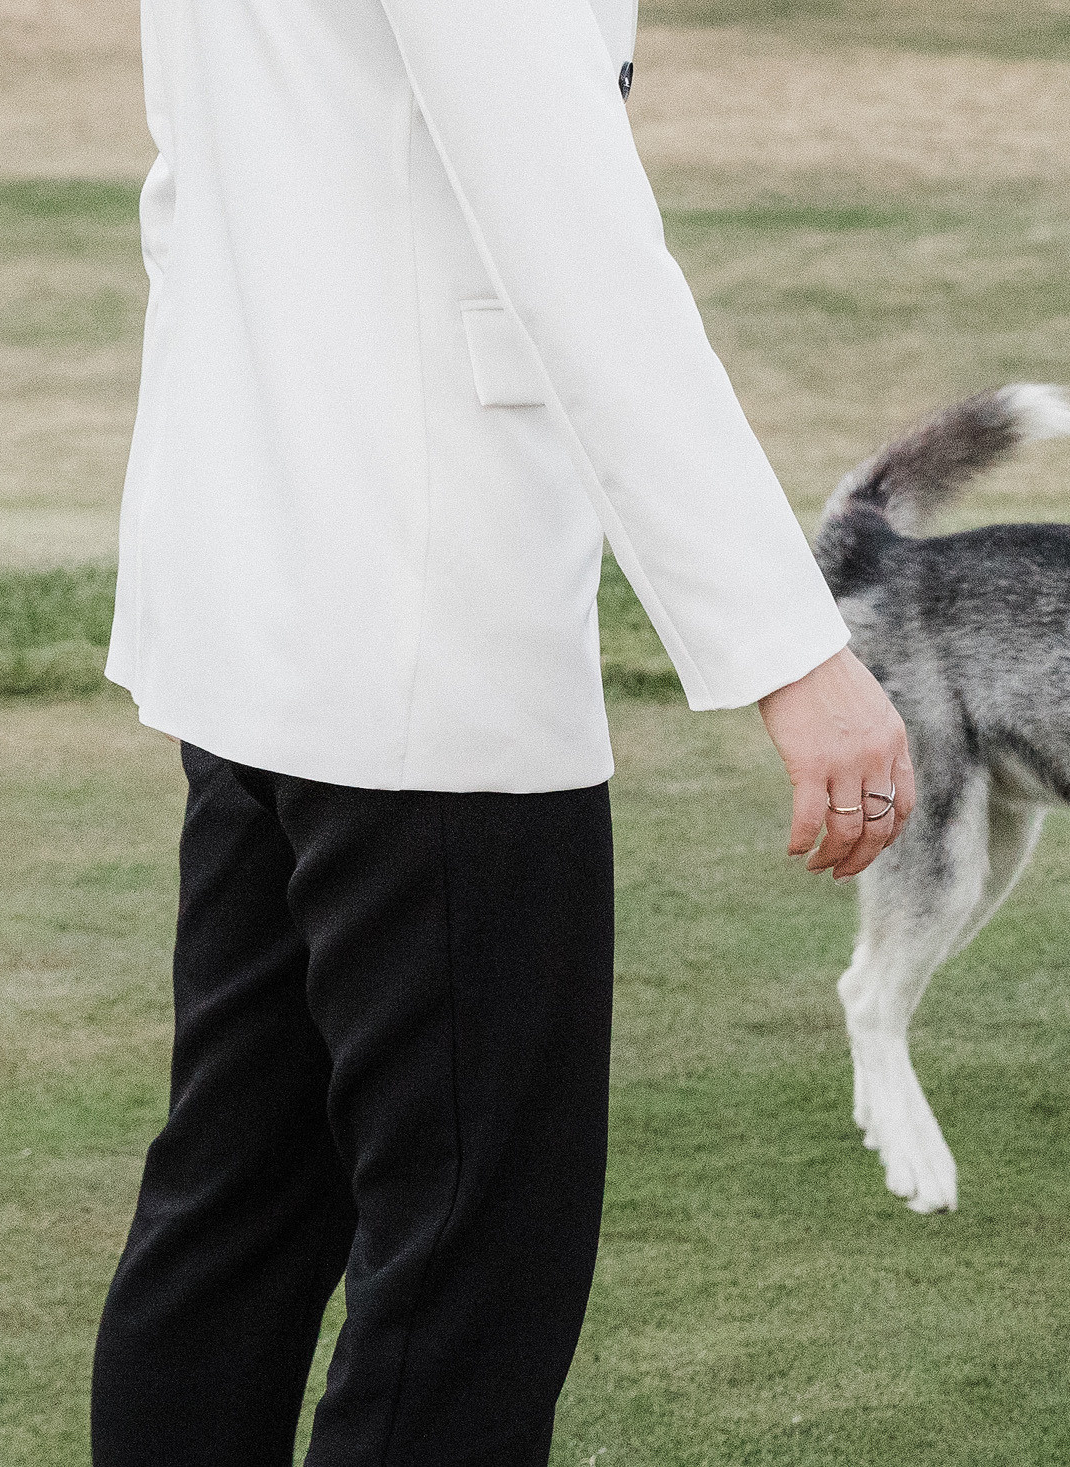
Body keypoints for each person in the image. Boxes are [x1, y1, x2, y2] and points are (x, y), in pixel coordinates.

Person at [88, 1, 916, 1461]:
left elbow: (192, 182)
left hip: (260, 608)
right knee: (477, 1261)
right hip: (430, 633)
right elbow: (576, 241)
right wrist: (790, 652)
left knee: (238, 1205)